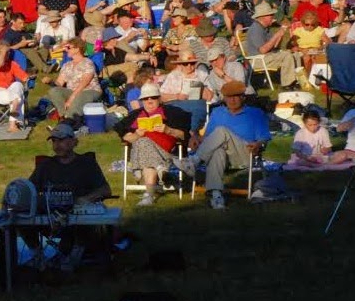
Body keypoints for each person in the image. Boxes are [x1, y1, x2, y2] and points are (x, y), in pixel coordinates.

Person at [28, 123, 113, 268]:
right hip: (49, 215)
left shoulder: (86, 163)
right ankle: (38, 256)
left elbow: (105, 190)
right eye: (54, 141)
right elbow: (29, 189)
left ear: (74, 142)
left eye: (61, 140)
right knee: (19, 221)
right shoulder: (46, 165)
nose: (57, 145)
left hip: (77, 215)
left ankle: (73, 258)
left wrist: (85, 199)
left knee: (84, 222)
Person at [196, 81, 270, 209]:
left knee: (221, 130)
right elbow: (208, 137)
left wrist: (258, 144)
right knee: (217, 152)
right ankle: (216, 197)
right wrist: (197, 138)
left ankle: (194, 161)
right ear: (224, 98)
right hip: (223, 156)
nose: (233, 100)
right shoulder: (218, 113)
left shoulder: (255, 113)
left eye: (236, 96)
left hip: (245, 152)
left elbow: (264, 137)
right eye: (229, 97)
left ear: (243, 97)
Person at [114, 84, 190, 205]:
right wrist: (137, 135)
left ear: (159, 99)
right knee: (143, 141)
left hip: (166, 152)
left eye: (153, 97)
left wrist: (168, 130)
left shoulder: (173, 113)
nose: (149, 100)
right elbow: (125, 136)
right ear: (142, 100)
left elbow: (183, 135)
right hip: (147, 154)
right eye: (146, 98)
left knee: (143, 143)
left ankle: (145, 188)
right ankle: (157, 173)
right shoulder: (135, 115)